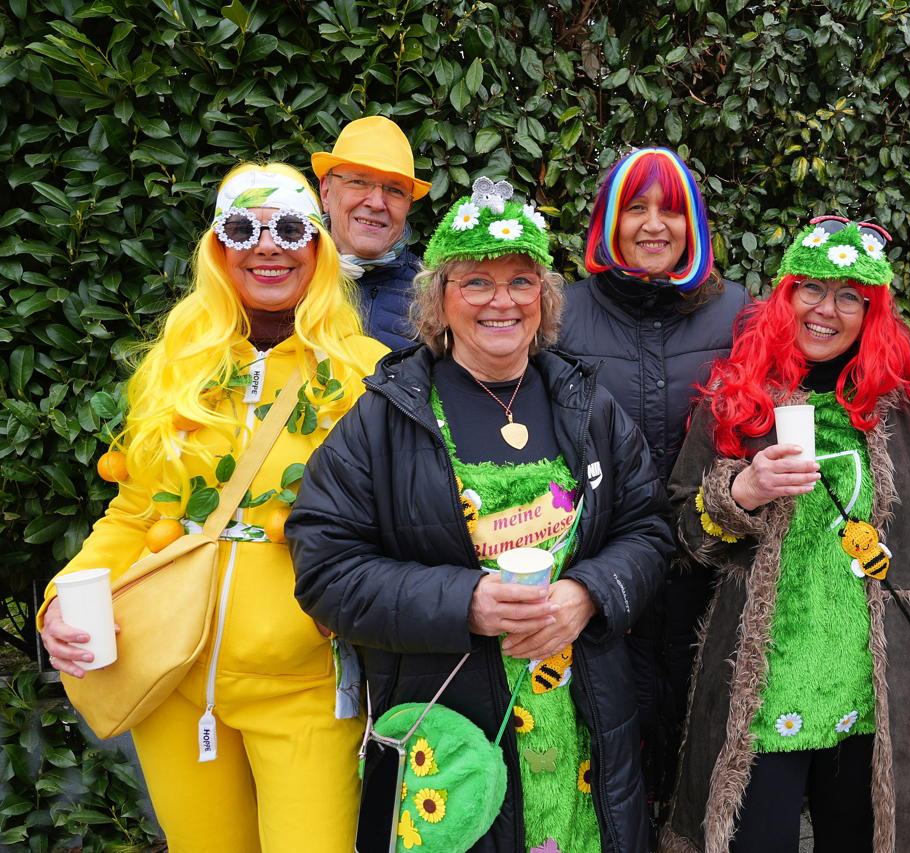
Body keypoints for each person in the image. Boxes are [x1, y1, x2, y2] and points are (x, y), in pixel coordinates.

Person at [287, 177, 673, 853]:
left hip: (588, 732)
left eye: (522, 281)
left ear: (545, 297)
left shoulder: (588, 405)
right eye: (476, 282)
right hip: (456, 736)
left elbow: (648, 527)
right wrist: (466, 603)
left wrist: (588, 594)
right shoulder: (386, 416)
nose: (503, 301)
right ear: (439, 298)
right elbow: (324, 564)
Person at [37, 163, 388, 852]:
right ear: (217, 248)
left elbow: (396, 526)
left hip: (305, 685)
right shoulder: (178, 366)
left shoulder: (366, 374)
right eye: (242, 228)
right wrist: (59, 600)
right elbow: (133, 514)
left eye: (290, 228)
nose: (267, 246)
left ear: (317, 247)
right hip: (172, 679)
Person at [662, 216, 910, 853]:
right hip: (761, 696)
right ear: (784, 297)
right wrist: (739, 494)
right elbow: (681, 534)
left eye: (849, 297)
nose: (825, 311)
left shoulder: (903, 411)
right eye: (811, 289)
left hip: (874, 697)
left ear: (873, 312)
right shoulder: (735, 399)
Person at [556, 146, 750, 811]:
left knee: (706, 758)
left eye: (670, 208)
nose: (653, 224)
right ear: (607, 221)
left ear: (693, 222)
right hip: (606, 573)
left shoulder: (738, 314)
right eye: (635, 206)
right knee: (613, 758)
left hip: (713, 572)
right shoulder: (562, 313)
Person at [312, 115, 431, 349]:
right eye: (358, 182)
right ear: (326, 191)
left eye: (395, 190)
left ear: (408, 204)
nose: (377, 203)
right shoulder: (289, 279)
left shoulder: (432, 297)